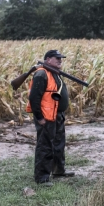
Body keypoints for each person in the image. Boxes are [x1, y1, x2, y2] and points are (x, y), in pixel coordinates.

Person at [26, 50, 75, 185]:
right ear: (48, 59)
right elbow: (34, 98)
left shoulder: (54, 73)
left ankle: (59, 170)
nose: (60, 60)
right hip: (46, 116)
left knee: (59, 143)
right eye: (56, 58)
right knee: (45, 146)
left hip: (57, 115)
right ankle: (42, 178)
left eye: (61, 58)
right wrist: (39, 117)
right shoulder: (41, 74)